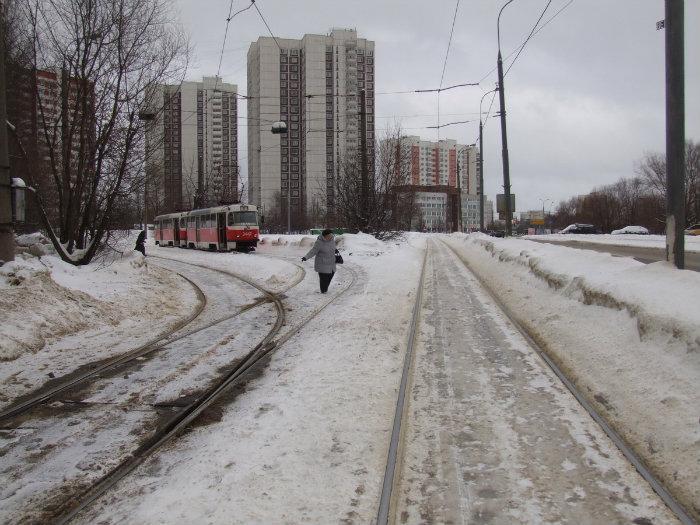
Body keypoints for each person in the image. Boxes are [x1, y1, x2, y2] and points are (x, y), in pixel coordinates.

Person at [302, 228, 337, 293]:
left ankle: (324, 289)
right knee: (324, 279)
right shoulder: (319, 242)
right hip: (322, 264)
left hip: (331, 263)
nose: (330, 237)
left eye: (331, 235)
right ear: (325, 236)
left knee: (331, 275)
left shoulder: (332, 240)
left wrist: (336, 252)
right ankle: (323, 291)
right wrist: (306, 257)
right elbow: (313, 251)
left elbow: (334, 248)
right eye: (329, 236)